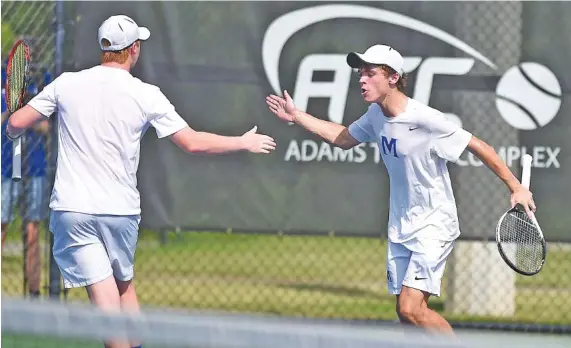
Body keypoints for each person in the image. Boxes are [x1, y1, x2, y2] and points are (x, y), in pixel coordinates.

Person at [6, 14, 276, 348]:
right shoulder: (147, 94)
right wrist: (242, 142)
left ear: (104, 47)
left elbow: (17, 121)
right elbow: (191, 142)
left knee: (111, 307)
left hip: (74, 213)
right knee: (123, 290)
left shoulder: (66, 83)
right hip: (120, 214)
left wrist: (12, 124)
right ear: (134, 49)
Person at [265, 44, 535, 336]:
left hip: (434, 224)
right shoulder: (374, 115)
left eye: (370, 74)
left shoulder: (425, 119)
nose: (362, 80)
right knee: (405, 315)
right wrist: (297, 116)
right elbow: (343, 138)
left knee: (410, 308)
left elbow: (479, 146)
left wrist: (516, 186)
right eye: (361, 74)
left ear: (392, 78)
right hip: (401, 224)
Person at [2, 86, 49, 299]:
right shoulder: (4, 77)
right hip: (6, 166)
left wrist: (27, 115)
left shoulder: (43, 79)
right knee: (2, 225)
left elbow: (48, 126)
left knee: (33, 229)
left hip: (35, 166)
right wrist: (11, 113)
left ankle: (34, 292)